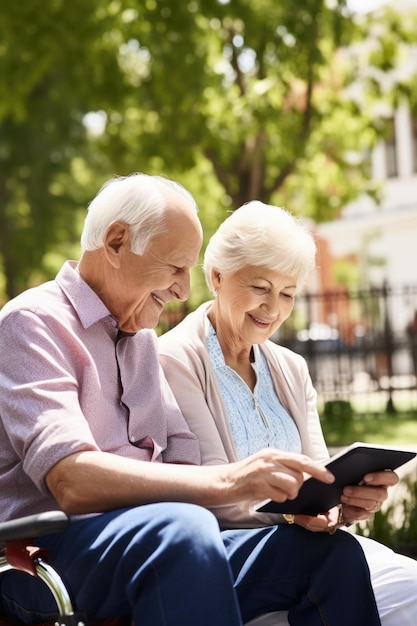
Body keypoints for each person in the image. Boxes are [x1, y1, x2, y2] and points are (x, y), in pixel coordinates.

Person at [0, 175, 381, 626]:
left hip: (160, 540)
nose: (184, 289)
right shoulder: (32, 324)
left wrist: (310, 506)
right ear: (118, 241)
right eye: (176, 267)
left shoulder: (140, 340)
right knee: (185, 532)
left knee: (328, 555)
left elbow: (183, 465)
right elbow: (72, 480)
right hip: (47, 553)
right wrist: (231, 482)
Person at [158, 200, 417, 626]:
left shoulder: (291, 367)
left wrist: (347, 504)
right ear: (217, 277)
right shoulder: (174, 359)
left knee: (410, 586)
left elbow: (321, 472)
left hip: (314, 546)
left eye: (288, 294)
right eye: (260, 287)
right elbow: (211, 487)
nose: (273, 308)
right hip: (239, 555)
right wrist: (296, 513)